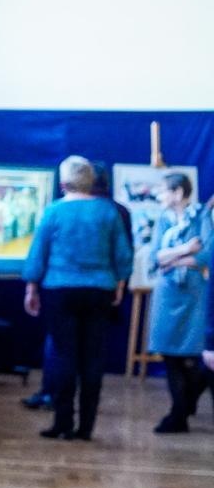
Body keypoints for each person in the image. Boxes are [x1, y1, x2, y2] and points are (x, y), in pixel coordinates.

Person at [23, 155, 133, 441]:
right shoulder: (108, 212)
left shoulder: (54, 212)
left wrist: (31, 288)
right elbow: (122, 255)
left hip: (60, 290)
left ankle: (61, 422)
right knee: (93, 359)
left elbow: (38, 254)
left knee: (63, 355)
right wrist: (120, 285)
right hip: (99, 290)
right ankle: (86, 427)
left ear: (63, 183)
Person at [146, 172, 210, 432]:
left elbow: (207, 253)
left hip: (193, 292)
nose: (159, 196)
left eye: (164, 191)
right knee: (169, 353)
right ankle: (179, 412)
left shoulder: (201, 216)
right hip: (167, 292)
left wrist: (174, 260)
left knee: (193, 354)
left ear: (179, 193)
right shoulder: (164, 219)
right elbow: (155, 257)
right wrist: (184, 251)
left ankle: (183, 407)